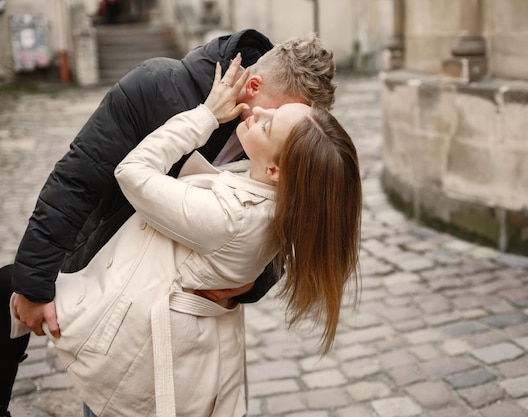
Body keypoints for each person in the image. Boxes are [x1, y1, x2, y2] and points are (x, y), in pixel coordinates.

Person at [0, 29, 336, 417]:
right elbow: (77, 180)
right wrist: (34, 285)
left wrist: (248, 283)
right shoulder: (158, 87)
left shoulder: (292, 133)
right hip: (106, 287)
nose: (293, 134)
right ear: (253, 86)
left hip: (181, 340)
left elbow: (288, 229)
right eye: (278, 117)